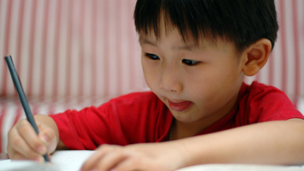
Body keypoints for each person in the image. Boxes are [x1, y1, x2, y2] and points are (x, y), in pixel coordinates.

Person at [7, 0, 304, 171]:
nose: (166, 84)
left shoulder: (258, 106)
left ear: (252, 57)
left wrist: (177, 154)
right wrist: (36, 133)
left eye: (190, 62)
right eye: (152, 55)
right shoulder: (141, 113)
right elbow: (60, 128)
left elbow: (297, 137)